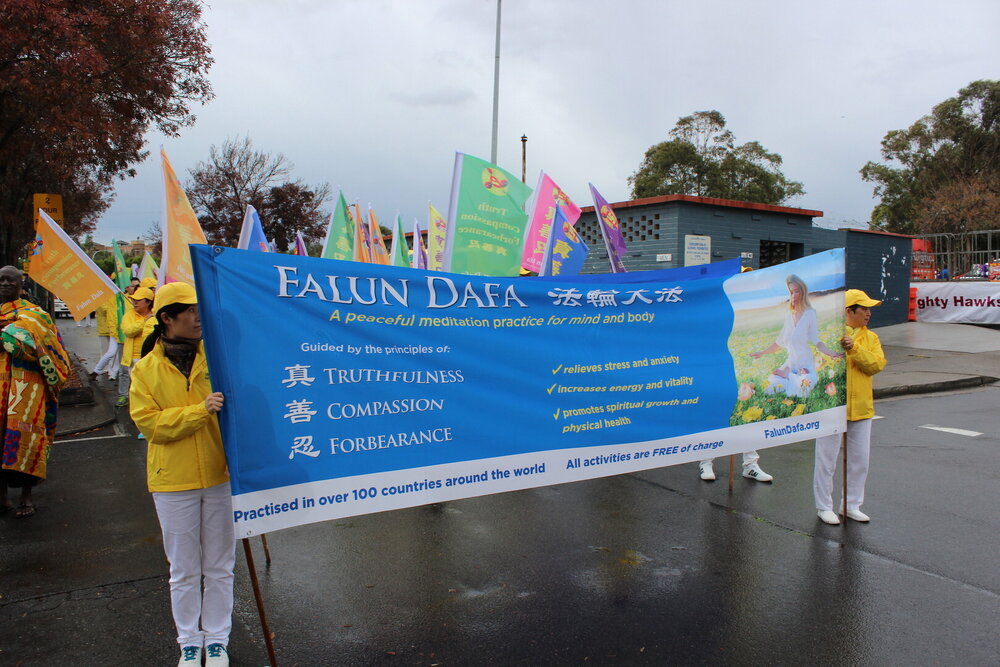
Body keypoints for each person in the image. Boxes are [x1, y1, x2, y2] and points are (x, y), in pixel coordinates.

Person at [129, 281, 234, 667]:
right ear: (166, 319)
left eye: (198, 309)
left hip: (220, 475)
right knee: (184, 569)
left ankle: (218, 639)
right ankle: (190, 642)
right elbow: (151, 425)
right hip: (172, 481)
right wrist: (200, 411)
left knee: (220, 566)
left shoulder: (219, 358)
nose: (197, 316)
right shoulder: (145, 370)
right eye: (187, 310)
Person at [0, 266, 71, 517]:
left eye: (11, 280)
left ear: (22, 285)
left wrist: (11, 337)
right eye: (1, 280)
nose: (5, 284)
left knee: (27, 438)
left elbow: (52, 351)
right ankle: (3, 498)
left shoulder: (36, 316)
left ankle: (26, 497)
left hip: (28, 391)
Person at [814, 289, 886, 525]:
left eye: (869, 309)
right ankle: (824, 506)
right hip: (832, 407)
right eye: (864, 308)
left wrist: (854, 348)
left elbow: (876, 365)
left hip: (862, 408)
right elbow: (819, 365)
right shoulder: (830, 334)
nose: (868, 313)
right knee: (826, 460)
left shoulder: (871, 338)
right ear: (848, 311)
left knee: (859, 460)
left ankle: (851, 504)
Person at [116, 286, 153, 407]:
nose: (134, 302)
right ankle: (137, 409)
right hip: (133, 358)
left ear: (148, 302)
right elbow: (128, 331)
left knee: (149, 386)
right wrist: (144, 321)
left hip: (151, 358)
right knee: (136, 386)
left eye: (138, 300)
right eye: (133, 299)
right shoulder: (129, 315)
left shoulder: (156, 315)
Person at [90, 295, 121, 381]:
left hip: (114, 330)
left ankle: (111, 371)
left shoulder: (117, 297)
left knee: (113, 353)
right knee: (108, 352)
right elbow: (104, 309)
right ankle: (103, 370)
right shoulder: (99, 297)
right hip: (106, 329)